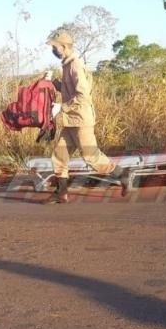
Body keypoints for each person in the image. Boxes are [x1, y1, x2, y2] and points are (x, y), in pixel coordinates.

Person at [45, 29, 128, 204]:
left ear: (64, 46)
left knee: (91, 156)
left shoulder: (75, 65)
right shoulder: (67, 65)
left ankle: (121, 173)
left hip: (81, 120)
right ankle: (61, 193)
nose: (53, 50)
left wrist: (62, 107)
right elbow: (68, 90)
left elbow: (82, 95)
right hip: (70, 120)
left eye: (55, 47)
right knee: (59, 156)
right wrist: (52, 81)